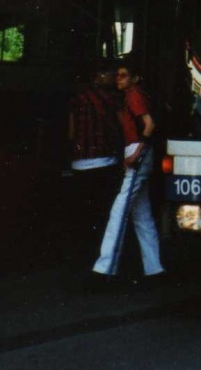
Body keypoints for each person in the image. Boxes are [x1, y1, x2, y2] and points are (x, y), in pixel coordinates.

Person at [91, 63, 165, 283]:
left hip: (137, 150)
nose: (118, 79)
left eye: (124, 76)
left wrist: (137, 153)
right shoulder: (135, 94)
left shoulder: (133, 96)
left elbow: (149, 124)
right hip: (138, 151)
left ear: (135, 78)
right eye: (118, 76)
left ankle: (105, 268)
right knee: (141, 215)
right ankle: (154, 268)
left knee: (119, 211)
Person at [68, 64, 122, 258]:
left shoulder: (77, 99)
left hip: (80, 163)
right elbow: (118, 128)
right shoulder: (112, 99)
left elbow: (71, 132)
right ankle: (100, 253)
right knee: (103, 212)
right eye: (111, 73)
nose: (115, 77)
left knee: (83, 211)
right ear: (98, 76)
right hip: (105, 161)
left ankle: (82, 252)